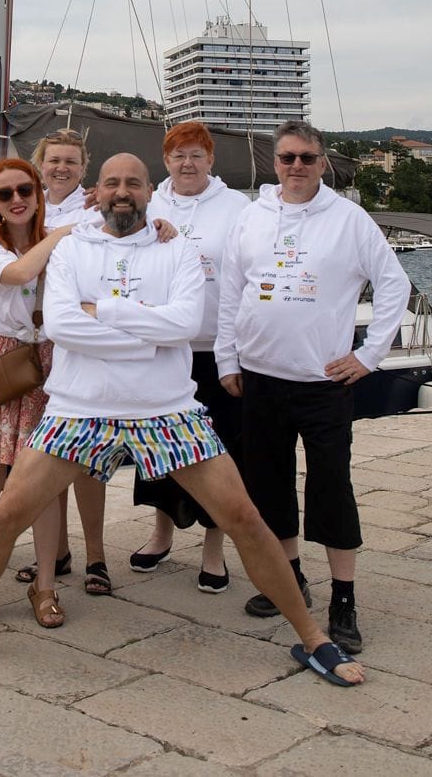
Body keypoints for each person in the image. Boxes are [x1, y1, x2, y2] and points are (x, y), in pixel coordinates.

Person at [0, 152, 363, 687]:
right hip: (80, 407)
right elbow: (64, 326)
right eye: (112, 183)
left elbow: (185, 324)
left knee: (243, 518)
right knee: (6, 515)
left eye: (134, 183)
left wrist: (104, 312)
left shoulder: (178, 249)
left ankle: (313, 638)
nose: (122, 192)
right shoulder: (72, 247)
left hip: (165, 408)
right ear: (97, 192)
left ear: (151, 192)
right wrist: (147, 335)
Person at [215, 119, 410, 655]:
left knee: (331, 486)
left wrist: (369, 355)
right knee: (268, 485)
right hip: (259, 377)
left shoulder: (349, 220)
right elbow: (231, 292)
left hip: (322, 381)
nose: (296, 166)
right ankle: (290, 579)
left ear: (322, 163)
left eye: (306, 157)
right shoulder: (252, 217)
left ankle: (343, 599)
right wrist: (227, 359)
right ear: (274, 163)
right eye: (287, 157)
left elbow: (394, 283)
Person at [0, 157, 74, 631]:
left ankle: (44, 585)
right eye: (5, 194)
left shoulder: (61, 241)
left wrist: (162, 226)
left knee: (42, 490)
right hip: (0, 366)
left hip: (46, 365)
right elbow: (22, 273)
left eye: (25, 189)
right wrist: (60, 235)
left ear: (38, 194)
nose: (17, 199)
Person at [130, 121, 249, 592]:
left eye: (196, 155)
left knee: (219, 450)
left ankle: (213, 550)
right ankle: (161, 534)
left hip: (216, 350)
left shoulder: (236, 207)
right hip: (163, 349)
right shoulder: (150, 203)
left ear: (210, 159)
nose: (187, 163)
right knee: (159, 444)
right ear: (166, 161)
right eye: (178, 155)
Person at [10, 129, 111, 595]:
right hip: (31, 342)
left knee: (86, 459)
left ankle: (97, 555)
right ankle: (56, 552)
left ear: (84, 167)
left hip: (75, 344)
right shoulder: (25, 206)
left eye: (71, 161)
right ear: (40, 164)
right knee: (44, 458)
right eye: (54, 160)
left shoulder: (96, 210)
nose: (61, 168)